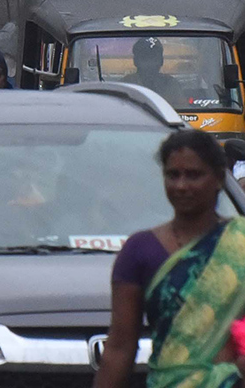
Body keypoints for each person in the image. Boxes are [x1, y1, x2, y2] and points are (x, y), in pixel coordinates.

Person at [96, 130, 245, 388]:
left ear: (219, 178)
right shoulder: (140, 251)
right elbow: (120, 347)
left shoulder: (239, 243)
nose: (181, 185)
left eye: (194, 175)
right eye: (173, 175)